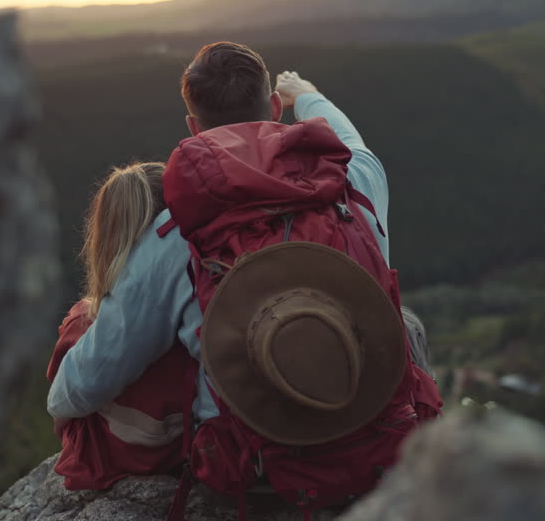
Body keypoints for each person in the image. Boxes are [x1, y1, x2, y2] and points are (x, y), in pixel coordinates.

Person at [48, 42, 440, 514]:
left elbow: (91, 379)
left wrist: (58, 398)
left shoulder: (177, 233)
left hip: (256, 478)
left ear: (194, 128)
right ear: (273, 108)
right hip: (382, 448)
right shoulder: (354, 182)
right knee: (405, 322)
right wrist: (306, 94)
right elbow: (349, 137)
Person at [45, 163, 193, 490]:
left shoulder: (103, 314)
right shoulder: (198, 290)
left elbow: (66, 403)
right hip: (192, 439)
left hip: (131, 453)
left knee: (80, 319)